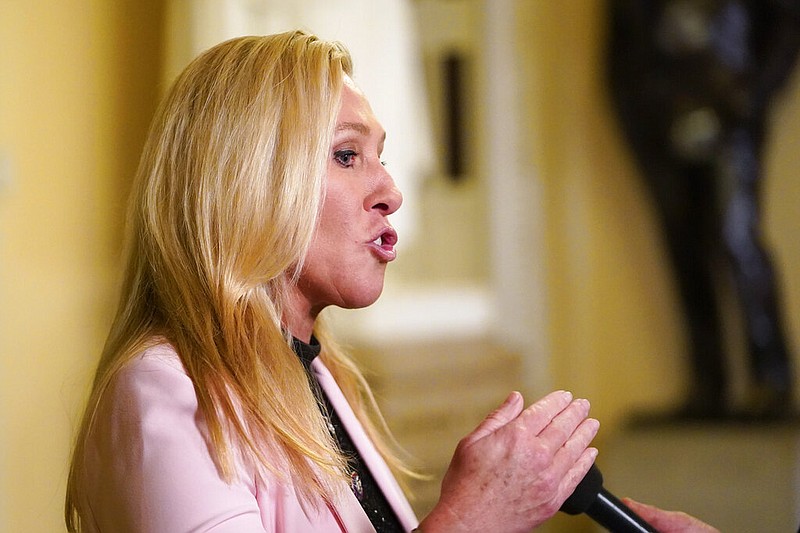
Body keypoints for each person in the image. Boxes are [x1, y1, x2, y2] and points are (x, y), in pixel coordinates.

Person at [64, 30, 716, 532]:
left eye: (383, 156)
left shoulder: (313, 376)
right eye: (348, 155)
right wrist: (469, 517)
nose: (392, 192)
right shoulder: (162, 392)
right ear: (244, 179)